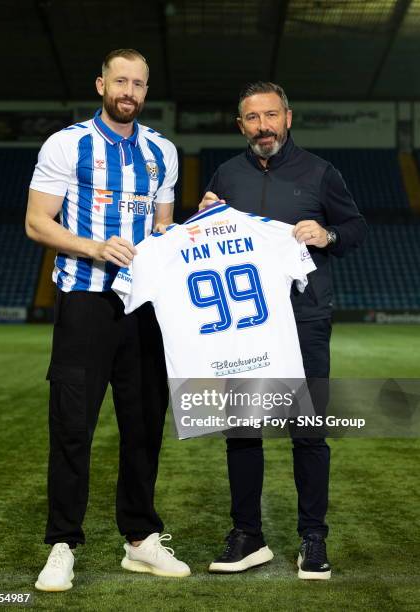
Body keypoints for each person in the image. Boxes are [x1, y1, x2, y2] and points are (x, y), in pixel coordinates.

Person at [25, 48, 190, 591]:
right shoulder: (67, 144)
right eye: (120, 81)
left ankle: (140, 538)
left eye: (139, 84)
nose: (130, 92)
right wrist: (95, 247)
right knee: (73, 426)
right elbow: (36, 223)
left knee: (143, 424)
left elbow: (164, 228)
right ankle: (62, 544)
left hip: (144, 308)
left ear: (146, 91)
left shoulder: (162, 151)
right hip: (86, 304)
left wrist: (196, 226)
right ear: (101, 84)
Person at [199, 81, 367, 579]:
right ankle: (247, 535)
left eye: (271, 115)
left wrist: (328, 233)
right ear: (241, 125)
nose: (263, 126)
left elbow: (356, 228)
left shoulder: (320, 172)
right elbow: (207, 240)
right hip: (246, 328)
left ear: (288, 118)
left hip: (305, 319)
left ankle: (313, 538)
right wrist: (205, 219)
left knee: (309, 431)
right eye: (253, 118)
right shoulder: (226, 176)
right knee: (243, 430)